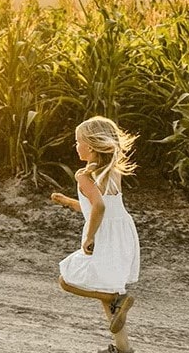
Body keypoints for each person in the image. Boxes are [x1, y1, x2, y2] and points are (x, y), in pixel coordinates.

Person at [49, 116, 141, 353]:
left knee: (66, 279)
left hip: (102, 235)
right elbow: (98, 206)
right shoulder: (112, 172)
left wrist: (89, 237)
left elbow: (98, 208)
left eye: (77, 141)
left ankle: (115, 300)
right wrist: (69, 202)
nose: (76, 146)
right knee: (107, 288)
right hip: (122, 232)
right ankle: (123, 349)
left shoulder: (84, 176)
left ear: (89, 146)